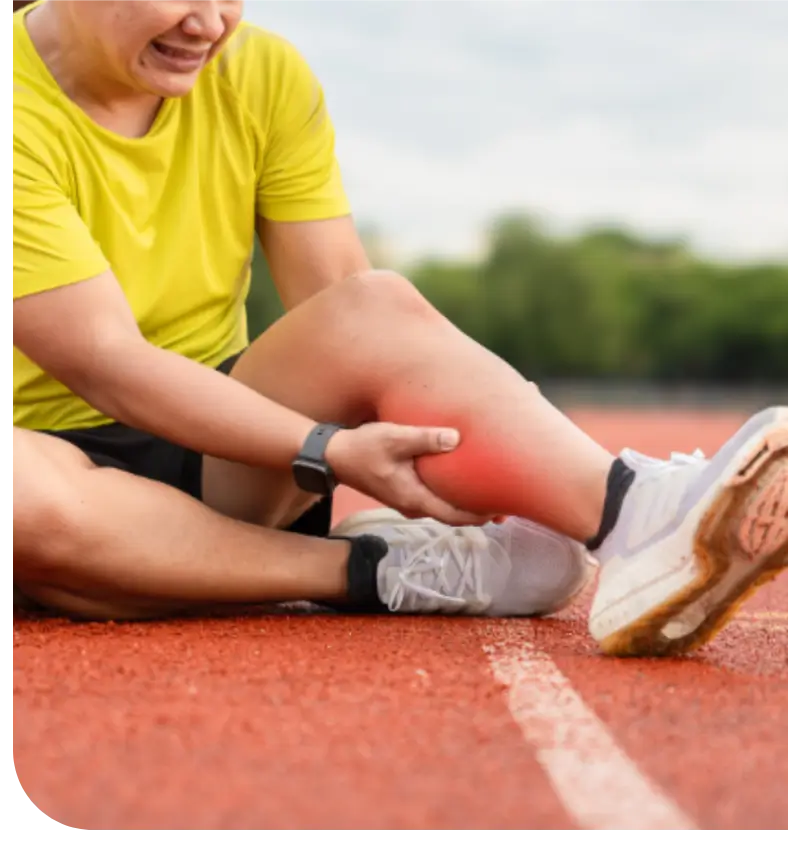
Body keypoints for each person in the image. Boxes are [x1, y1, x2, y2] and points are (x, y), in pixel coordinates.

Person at [9, 0, 786, 657]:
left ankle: (643, 517)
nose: (210, 23)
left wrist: (476, 432)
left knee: (371, 304)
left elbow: (342, 308)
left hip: (230, 450)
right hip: (53, 471)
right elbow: (107, 362)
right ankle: (374, 569)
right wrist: (326, 449)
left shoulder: (260, 72)